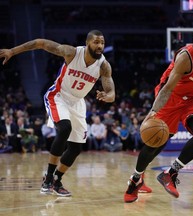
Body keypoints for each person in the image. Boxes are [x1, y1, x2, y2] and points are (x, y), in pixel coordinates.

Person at [124, 19, 193, 203]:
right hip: (171, 96)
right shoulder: (186, 57)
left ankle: (177, 173)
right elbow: (168, 88)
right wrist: (152, 112)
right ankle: (135, 180)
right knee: (156, 142)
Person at [0, 30, 115, 196]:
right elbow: (40, 43)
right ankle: (47, 178)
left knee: (76, 149)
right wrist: (12, 51)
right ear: (88, 42)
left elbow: (112, 92)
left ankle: (56, 181)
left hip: (78, 103)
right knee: (65, 128)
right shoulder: (72, 52)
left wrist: (107, 96)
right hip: (59, 96)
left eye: (103, 43)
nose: (100, 46)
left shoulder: (104, 66)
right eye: (97, 42)